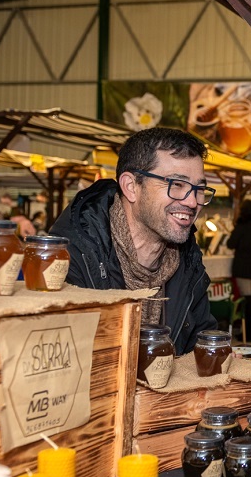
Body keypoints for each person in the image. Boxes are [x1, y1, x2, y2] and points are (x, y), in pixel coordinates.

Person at [51, 127, 218, 353]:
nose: (192, 202)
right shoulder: (70, 259)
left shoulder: (189, 266)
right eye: (177, 185)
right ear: (131, 187)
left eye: (198, 188)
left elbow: (201, 347)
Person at [227, 199, 251, 343]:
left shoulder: (241, 225)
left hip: (242, 266)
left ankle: (247, 334)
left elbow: (231, 243)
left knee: (245, 300)